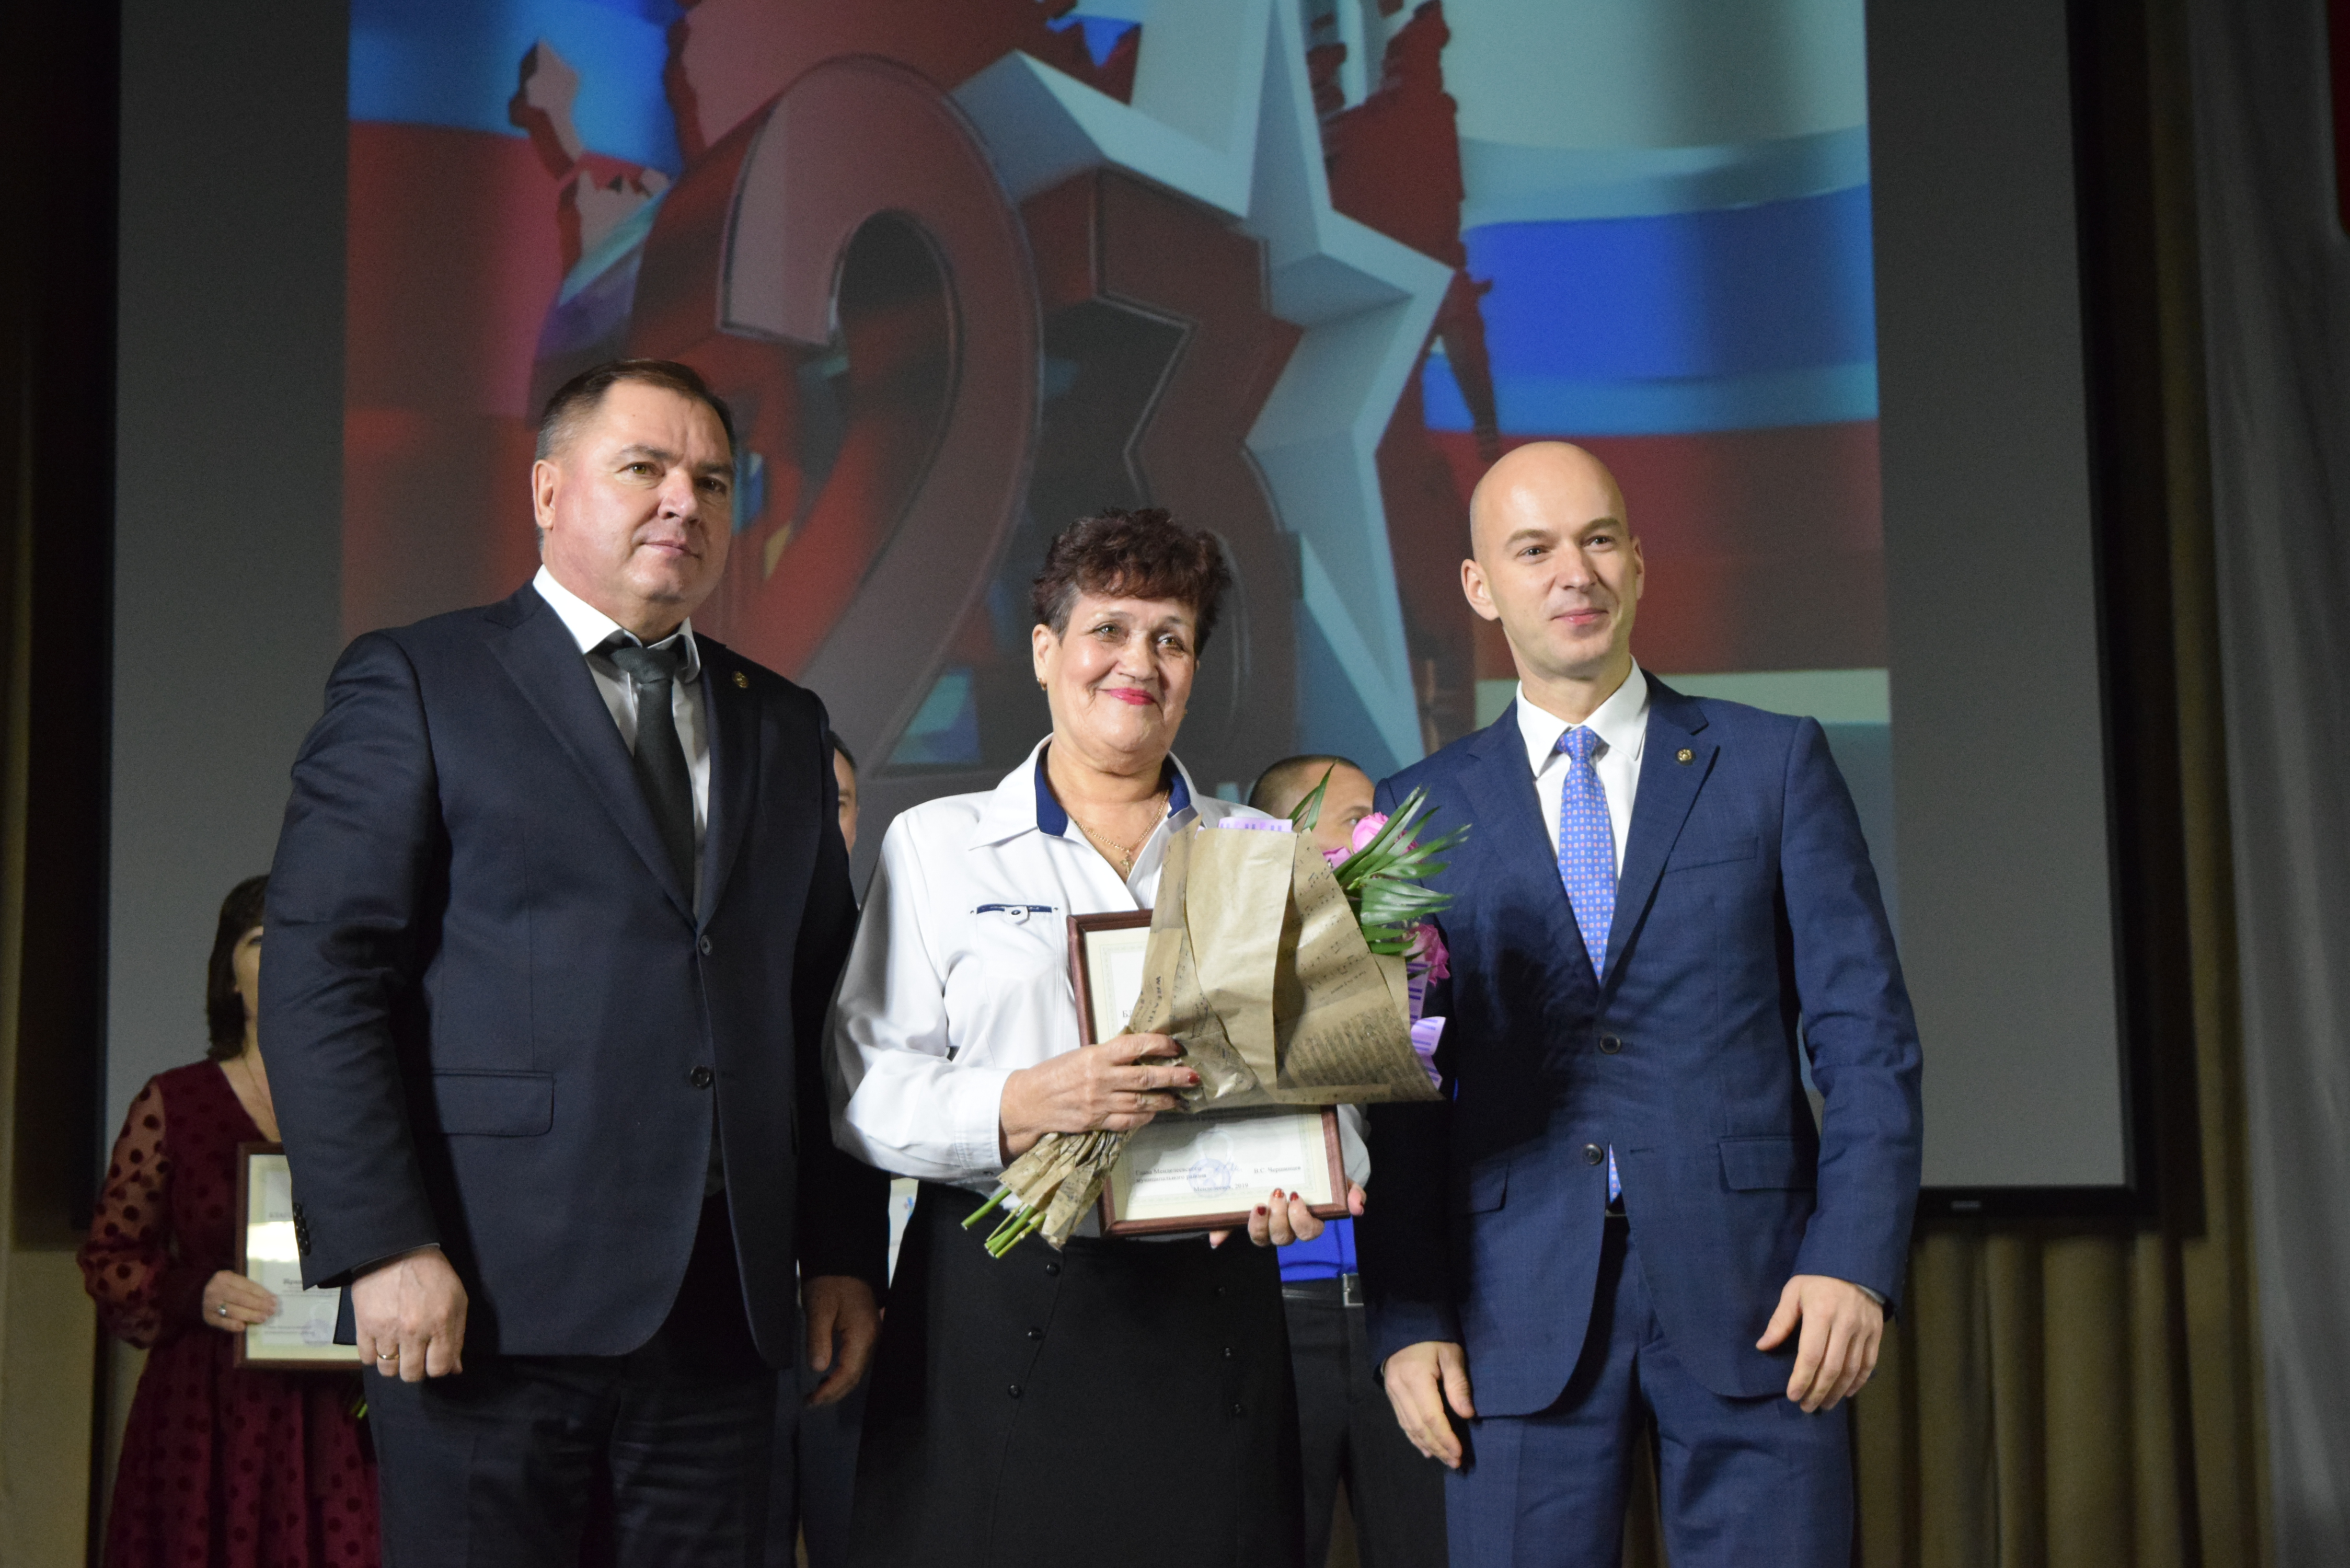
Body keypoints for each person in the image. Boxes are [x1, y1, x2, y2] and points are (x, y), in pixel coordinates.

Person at [262, 358, 889, 1564]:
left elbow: (822, 1011)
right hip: (483, 1305)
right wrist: (384, 1245)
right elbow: (323, 975)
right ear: (549, 490)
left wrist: (845, 1254)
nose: (683, 502)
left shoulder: (783, 721)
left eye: (713, 481)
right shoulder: (420, 680)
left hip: (728, 1318)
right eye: (643, 468)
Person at [1359, 442, 1922, 1566]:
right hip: (1510, 1312)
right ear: (1480, 586)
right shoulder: (1417, 811)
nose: (1575, 572)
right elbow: (1402, 1087)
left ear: (1639, 563)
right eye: (1534, 550)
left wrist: (1854, 1257)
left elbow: (1867, 1040)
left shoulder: (1771, 763)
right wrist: (1408, 1317)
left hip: (1763, 1298)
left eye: (1600, 539)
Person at [831, 508, 1360, 1568]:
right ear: (1045, 651)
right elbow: (863, 1087)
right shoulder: (938, 846)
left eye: (1171, 638)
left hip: (1212, 1305)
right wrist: (1023, 1103)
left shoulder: (1259, 852)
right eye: (1108, 630)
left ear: (1194, 670)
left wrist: (1311, 1173)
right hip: (992, 1301)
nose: (1139, 662)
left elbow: (1333, 1089)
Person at [80, 875, 381, 1568]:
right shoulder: (175, 1100)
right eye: (261, 940)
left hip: (340, 1415)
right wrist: (196, 1291)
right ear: (229, 977)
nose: (283, 956)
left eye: (301, 940)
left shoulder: (371, 1105)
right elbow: (110, 1257)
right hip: (209, 1414)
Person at [1247, 756, 1449, 1568]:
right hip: (1270, 1323)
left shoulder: (1424, 961)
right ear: (1284, 839)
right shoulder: (1224, 965)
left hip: (1400, 1326)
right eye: (1358, 816)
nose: (1382, 830)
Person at [768, 733, 869, 1568]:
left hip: (864, 1304)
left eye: (834, 804)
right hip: (733, 1307)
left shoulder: (898, 940)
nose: (816, 826)